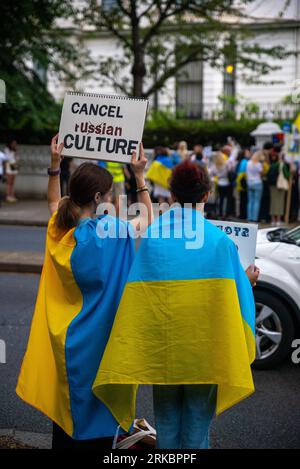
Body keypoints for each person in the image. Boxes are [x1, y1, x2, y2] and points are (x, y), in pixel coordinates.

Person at [93, 161, 259, 450]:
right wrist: (247, 280)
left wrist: (140, 175)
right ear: (206, 195)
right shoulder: (221, 242)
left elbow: (140, 293)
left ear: (171, 195)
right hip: (204, 353)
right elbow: (235, 296)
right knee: (196, 431)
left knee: (167, 428)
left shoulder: (155, 237)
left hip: (165, 351)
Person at [16, 135, 153, 449]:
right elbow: (146, 219)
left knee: (67, 414)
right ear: (97, 196)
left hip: (66, 343)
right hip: (101, 345)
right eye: (108, 194)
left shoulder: (61, 229)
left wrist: (55, 167)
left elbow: (55, 203)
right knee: (98, 422)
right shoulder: (112, 232)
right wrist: (139, 176)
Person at [267, 145, 290, 226]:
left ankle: (273, 220)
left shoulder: (272, 165)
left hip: (272, 185)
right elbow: (287, 175)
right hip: (280, 185)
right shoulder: (281, 165)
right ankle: (278, 220)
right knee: (280, 203)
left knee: (273, 203)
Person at [209, 151, 231, 218]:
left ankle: (219, 213)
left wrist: (215, 178)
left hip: (219, 183)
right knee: (225, 199)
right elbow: (230, 171)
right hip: (226, 183)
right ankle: (224, 213)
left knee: (220, 199)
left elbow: (210, 174)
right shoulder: (226, 164)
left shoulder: (214, 165)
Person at [246, 151, 263, 222]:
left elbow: (246, 172)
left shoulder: (248, 163)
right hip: (257, 182)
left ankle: (249, 217)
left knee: (250, 201)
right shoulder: (259, 164)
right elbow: (261, 172)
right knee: (257, 201)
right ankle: (255, 218)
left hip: (250, 183)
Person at [235, 149, 251, 220]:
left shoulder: (241, 161)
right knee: (244, 199)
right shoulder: (245, 161)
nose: (249, 153)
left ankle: (241, 214)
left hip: (240, 182)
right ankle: (243, 215)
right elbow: (243, 172)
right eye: (247, 152)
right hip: (243, 182)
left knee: (241, 199)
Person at [4, 138, 19, 203]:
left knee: (12, 183)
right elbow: (7, 158)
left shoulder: (15, 150)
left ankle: (12, 196)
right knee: (9, 183)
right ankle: (8, 196)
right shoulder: (7, 150)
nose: (14, 144)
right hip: (9, 166)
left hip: (14, 166)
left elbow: (17, 158)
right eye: (13, 143)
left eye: (15, 143)